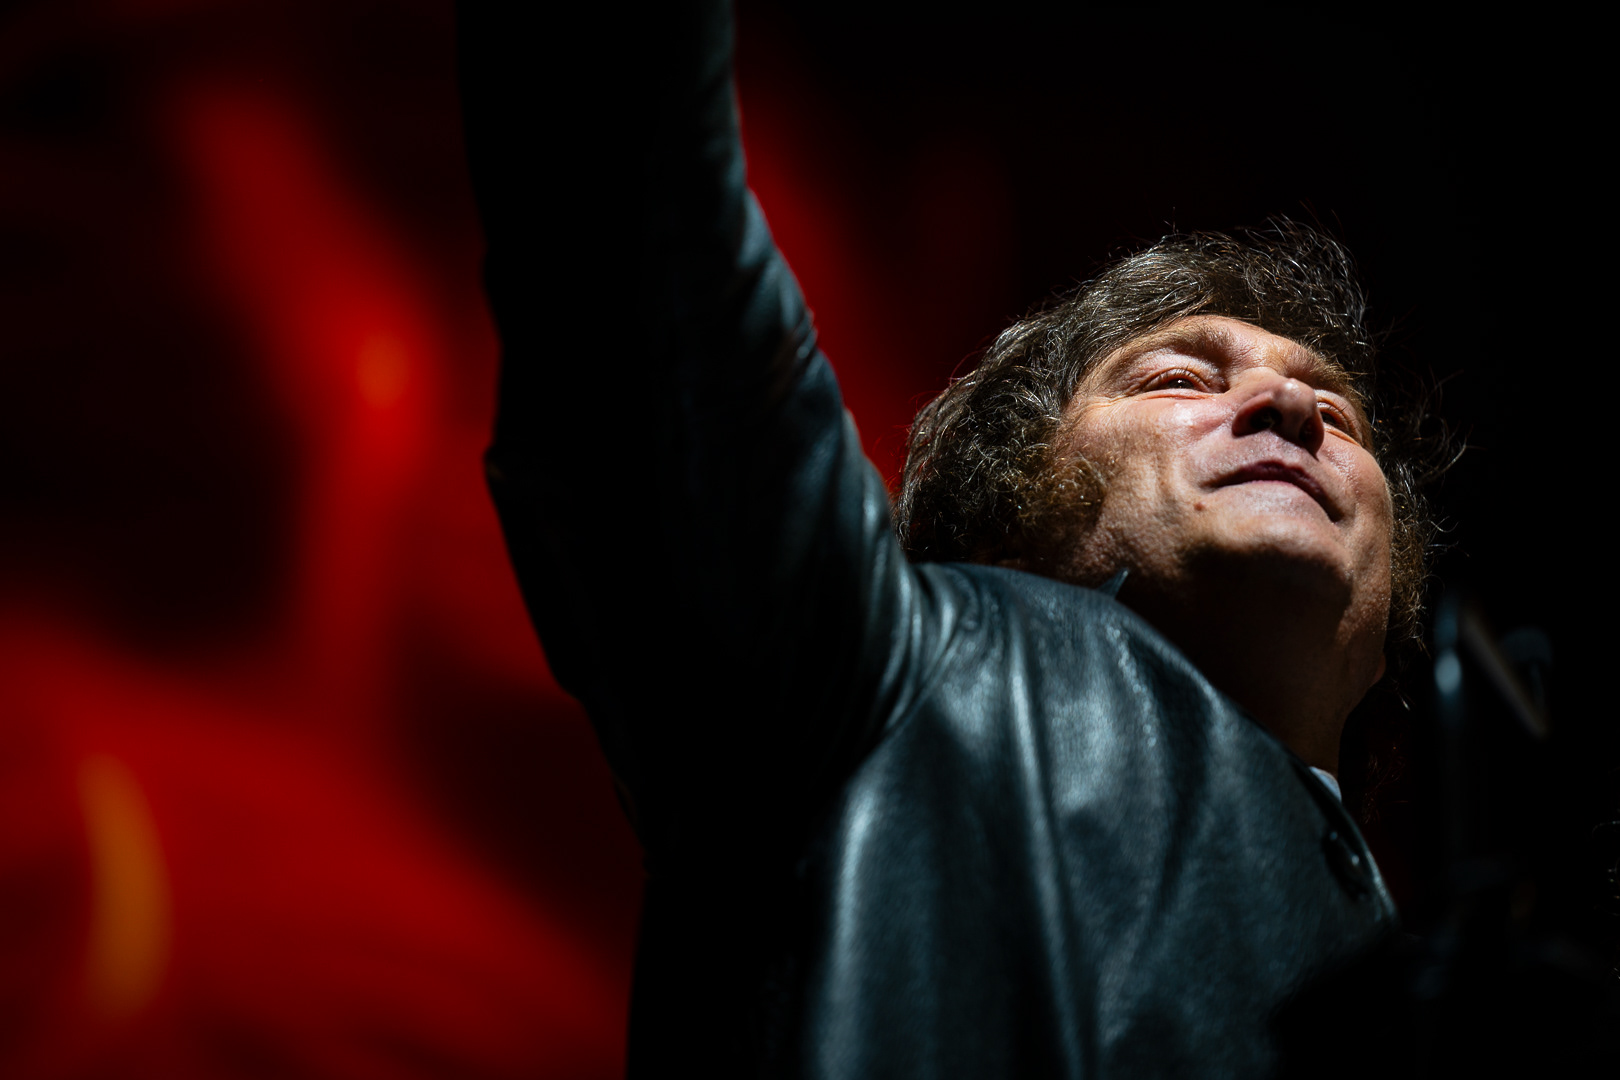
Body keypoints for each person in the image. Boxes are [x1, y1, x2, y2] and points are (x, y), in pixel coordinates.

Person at [456, 2, 1430, 1075]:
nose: (1288, 411)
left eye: (1335, 414)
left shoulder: (1442, 976)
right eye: (1179, 378)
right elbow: (634, 239)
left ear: (1390, 628)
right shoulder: (880, 671)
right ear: (1017, 502)